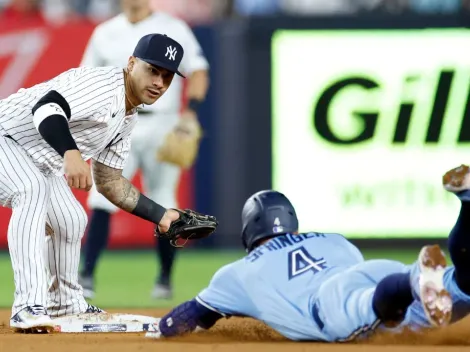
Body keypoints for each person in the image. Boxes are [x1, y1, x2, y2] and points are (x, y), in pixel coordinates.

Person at [0, 32, 203, 333]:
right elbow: (46, 107)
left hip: (32, 156)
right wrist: (70, 153)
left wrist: (161, 216)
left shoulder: (127, 115)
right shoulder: (103, 87)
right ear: (132, 63)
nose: (159, 82)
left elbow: (109, 182)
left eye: (167, 76)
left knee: (71, 219)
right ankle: (28, 306)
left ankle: (65, 304)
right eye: (152, 70)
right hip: (6, 136)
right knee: (31, 191)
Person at [145, 164, 470, 342]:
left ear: (249, 232)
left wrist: (162, 328)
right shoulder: (334, 240)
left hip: (333, 302)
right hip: (378, 272)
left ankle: (414, 281)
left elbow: (188, 318)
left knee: (368, 309)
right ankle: (465, 206)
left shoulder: (238, 273)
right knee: (461, 285)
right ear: (293, 226)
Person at [78, 0, 210, 300]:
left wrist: (190, 112)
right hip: (119, 120)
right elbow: (88, 78)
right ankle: (86, 275)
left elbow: (199, 69)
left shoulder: (173, 27)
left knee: (163, 199)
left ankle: (164, 278)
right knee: (101, 196)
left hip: (163, 123)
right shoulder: (105, 31)